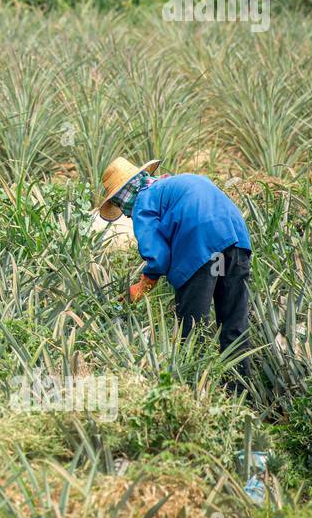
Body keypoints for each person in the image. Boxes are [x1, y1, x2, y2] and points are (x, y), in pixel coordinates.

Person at [97, 157, 254, 375]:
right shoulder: (175, 184)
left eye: (119, 205)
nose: (124, 213)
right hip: (234, 244)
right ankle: (239, 394)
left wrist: (143, 286)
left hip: (201, 247)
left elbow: (157, 255)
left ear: (122, 197)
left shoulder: (143, 199)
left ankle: (195, 388)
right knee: (232, 321)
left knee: (192, 328)